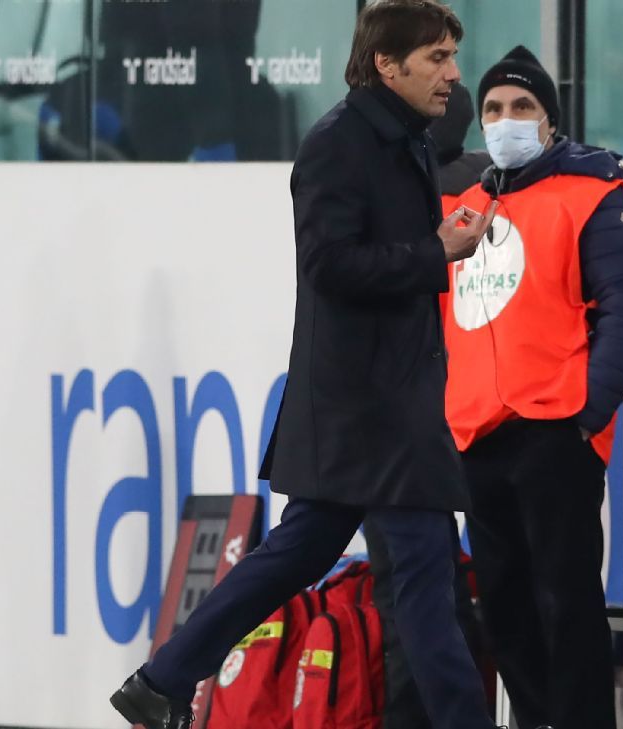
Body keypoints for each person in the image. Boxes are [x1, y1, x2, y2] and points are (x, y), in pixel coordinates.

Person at [108, 3, 500, 729]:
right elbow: (328, 264)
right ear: (389, 64)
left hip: (382, 401)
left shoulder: (402, 140)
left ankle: (160, 678)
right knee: (423, 579)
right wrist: (434, 251)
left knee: (302, 554)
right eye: (438, 58)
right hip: (368, 407)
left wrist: (435, 246)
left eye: (451, 57)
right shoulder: (338, 145)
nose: (453, 74)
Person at [443, 46, 623, 729]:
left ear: (549, 120)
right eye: (492, 110)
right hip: (476, 436)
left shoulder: (594, 193)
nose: (504, 121)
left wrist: (583, 412)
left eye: (521, 108)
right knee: (503, 607)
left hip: (554, 432)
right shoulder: (465, 208)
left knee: (565, 604)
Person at [363, 80, 494, 729]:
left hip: (407, 416)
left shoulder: (398, 193)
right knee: (446, 591)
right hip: (484, 413)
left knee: (408, 589)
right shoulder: (495, 190)